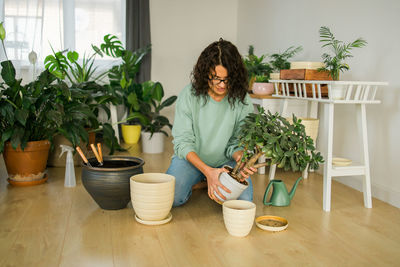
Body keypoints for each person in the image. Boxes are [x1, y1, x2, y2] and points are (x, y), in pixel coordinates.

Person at [166, 38, 256, 207]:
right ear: (205, 73)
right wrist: (208, 171)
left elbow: (237, 143)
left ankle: (208, 179)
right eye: (216, 78)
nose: (222, 85)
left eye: (227, 79)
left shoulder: (242, 100)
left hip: (226, 162)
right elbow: (182, 142)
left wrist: (240, 158)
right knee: (172, 198)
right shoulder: (189, 95)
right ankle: (203, 177)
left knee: (244, 202)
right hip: (191, 160)